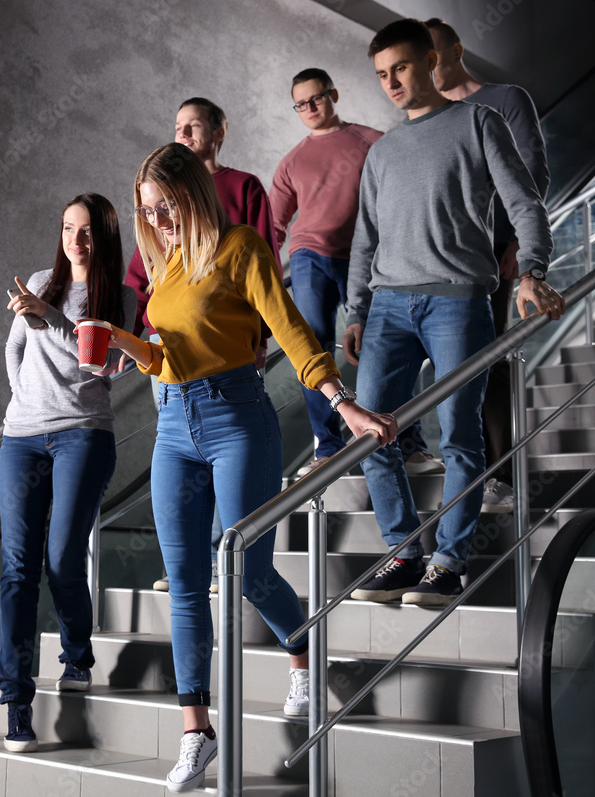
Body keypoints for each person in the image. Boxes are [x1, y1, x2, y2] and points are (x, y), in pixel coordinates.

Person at [108, 143, 396, 792]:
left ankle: (303, 656)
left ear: (193, 195)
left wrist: (340, 400)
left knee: (245, 566)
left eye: (168, 206)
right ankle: (196, 732)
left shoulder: (240, 247)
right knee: (183, 581)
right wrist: (132, 343)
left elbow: (289, 327)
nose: (159, 221)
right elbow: (166, 359)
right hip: (175, 429)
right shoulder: (166, 266)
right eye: (148, 212)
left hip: (238, 420)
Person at [345, 19, 564, 608]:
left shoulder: (478, 121)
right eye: (382, 74)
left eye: (402, 68)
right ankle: (402, 553)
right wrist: (355, 309)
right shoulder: (383, 150)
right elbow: (365, 237)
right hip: (388, 307)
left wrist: (532, 270)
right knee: (371, 435)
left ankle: (448, 563)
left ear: (431, 62)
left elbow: (524, 202)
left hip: (458, 301)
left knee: (460, 438)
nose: (391, 82)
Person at [124, 96, 282, 593]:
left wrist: (257, 336)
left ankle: (222, 560)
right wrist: (119, 339)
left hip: (227, 368)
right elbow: (139, 280)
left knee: (247, 567)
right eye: (177, 126)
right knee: (184, 455)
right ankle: (196, 561)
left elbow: (266, 277)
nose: (184, 133)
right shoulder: (160, 222)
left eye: (193, 126)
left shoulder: (241, 192)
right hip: (173, 381)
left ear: (218, 131)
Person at [0, 192, 137, 753]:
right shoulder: (39, 279)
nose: (74, 241)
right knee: (15, 570)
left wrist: (49, 316)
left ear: (102, 238)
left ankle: (77, 651)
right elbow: (13, 349)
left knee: (60, 557)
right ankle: (17, 705)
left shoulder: (121, 297)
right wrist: (28, 402)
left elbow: (98, 362)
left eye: (85, 232)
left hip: (84, 435)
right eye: (66, 229)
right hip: (22, 438)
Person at [426, 17, 552, 513]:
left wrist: (520, 245)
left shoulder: (505, 99)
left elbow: (534, 173)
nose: (430, 67)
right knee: (452, 369)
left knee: (490, 360)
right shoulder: (431, 117)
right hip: (444, 263)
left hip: (495, 255)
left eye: (436, 54)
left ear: (457, 49)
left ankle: (501, 477)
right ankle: (468, 472)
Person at [270, 69, 418, 477]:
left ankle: (407, 439)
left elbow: (403, 196)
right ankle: (328, 446)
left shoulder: (371, 141)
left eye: (316, 98)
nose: (310, 109)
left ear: (333, 94)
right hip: (308, 256)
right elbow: (274, 227)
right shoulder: (292, 161)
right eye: (301, 104)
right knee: (313, 343)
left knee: (386, 342)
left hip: (365, 255)